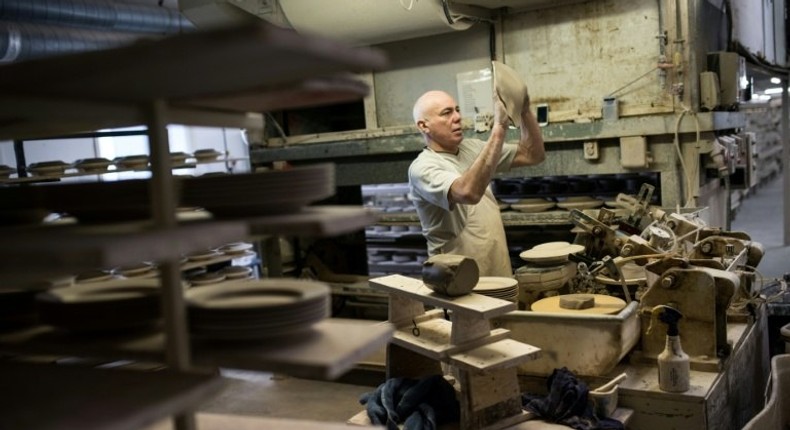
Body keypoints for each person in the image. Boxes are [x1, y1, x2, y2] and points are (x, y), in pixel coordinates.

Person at [407, 89, 545, 276]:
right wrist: (499, 128)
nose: (457, 117)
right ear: (424, 125)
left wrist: (525, 110)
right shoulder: (423, 168)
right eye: (446, 113)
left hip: (497, 269)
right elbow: (468, 193)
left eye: (457, 110)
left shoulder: (472, 147)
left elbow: (532, 154)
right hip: (457, 278)